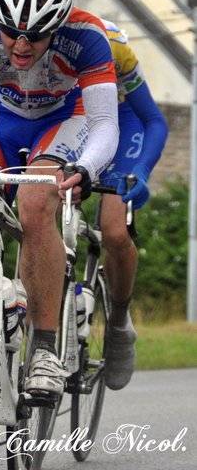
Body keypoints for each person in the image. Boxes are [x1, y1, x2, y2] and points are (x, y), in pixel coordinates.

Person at [0, 0, 119, 399]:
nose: (21, 46)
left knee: (34, 206)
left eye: (36, 35)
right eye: (11, 33)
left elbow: (106, 124)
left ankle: (45, 347)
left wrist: (86, 166)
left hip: (60, 123)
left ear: (59, 25)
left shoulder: (87, 36)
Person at [98, 20, 168, 390]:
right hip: (74, 117)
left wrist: (139, 171)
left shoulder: (113, 45)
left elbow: (155, 120)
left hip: (125, 121)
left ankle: (119, 321)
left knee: (113, 227)